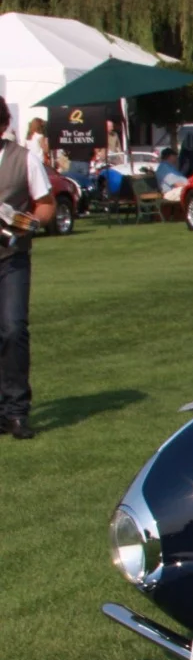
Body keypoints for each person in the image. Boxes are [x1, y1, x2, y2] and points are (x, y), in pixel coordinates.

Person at [0, 98, 57, 440]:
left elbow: (47, 205)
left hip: (12, 258)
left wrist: (28, 223)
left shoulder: (25, 160)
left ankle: (16, 411)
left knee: (12, 328)